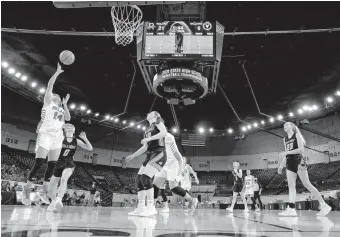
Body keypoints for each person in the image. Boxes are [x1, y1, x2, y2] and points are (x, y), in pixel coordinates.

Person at [22, 63, 71, 205]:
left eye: (57, 95)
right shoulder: (48, 103)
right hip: (46, 134)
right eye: (54, 94)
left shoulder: (61, 109)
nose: (56, 95)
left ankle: (43, 190)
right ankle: (27, 188)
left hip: (57, 137)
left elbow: (68, 118)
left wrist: (65, 105)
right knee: (39, 162)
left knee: (52, 165)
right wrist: (56, 73)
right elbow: (50, 86)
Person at [278, 122, 331, 216]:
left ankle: (324, 205)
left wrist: (287, 153)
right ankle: (291, 208)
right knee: (291, 186)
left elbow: (301, 149)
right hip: (289, 163)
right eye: (284, 126)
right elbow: (286, 153)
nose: (284, 126)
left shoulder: (297, 135)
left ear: (292, 126)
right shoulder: (284, 139)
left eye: (287, 125)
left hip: (298, 161)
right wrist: (281, 165)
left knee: (307, 184)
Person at [125, 111, 168, 217]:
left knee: (145, 177)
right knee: (138, 179)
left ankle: (151, 207)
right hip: (150, 154)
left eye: (150, 113)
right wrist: (134, 155)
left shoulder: (158, 122)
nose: (147, 113)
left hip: (159, 152)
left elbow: (164, 133)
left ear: (155, 116)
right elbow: (145, 147)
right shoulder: (146, 130)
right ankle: (141, 207)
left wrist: (149, 138)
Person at [47, 124, 93, 212]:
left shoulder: (76, 141)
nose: (70, 129)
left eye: (72, 128)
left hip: (69, 163)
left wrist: (85, 138)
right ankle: (53, 201)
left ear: (74, 131)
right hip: (58, 163)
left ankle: (59, 200)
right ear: (65, 130)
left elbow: (90, 148)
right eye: (68, 128)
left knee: (64, 179)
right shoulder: (60, 138)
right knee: (51, 187)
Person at [153, 133, 198, 214]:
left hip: (174, 163)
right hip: (164, 163)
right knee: (155, 185)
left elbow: (178, 157)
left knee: (173, 187)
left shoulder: (168, 137)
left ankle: (192, 200)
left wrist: (179, 172)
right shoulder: (156, 137)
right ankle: (151, 207)